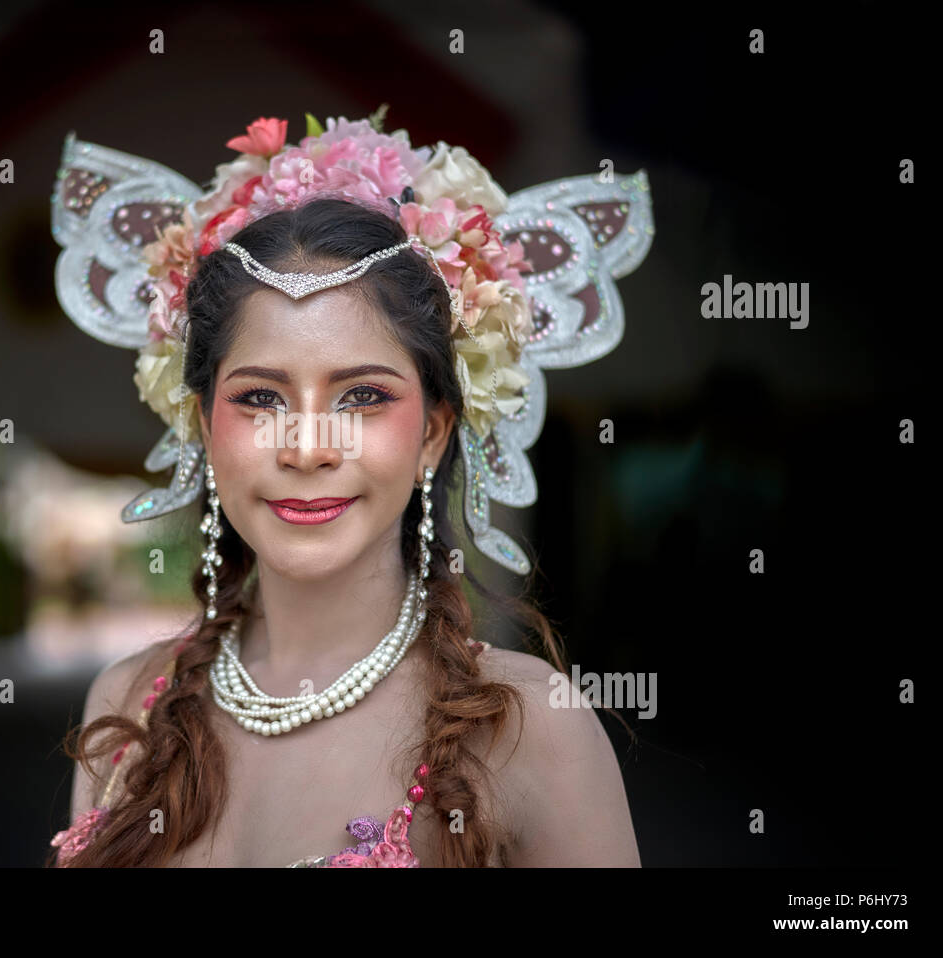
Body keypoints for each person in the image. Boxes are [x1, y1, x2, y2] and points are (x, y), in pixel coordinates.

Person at [47, 111, 653, 866]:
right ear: (203, 425)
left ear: (434, 430)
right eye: (260, 398)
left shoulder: (533, 729)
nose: (307, 448)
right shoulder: (126, 704)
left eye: (362, 397)